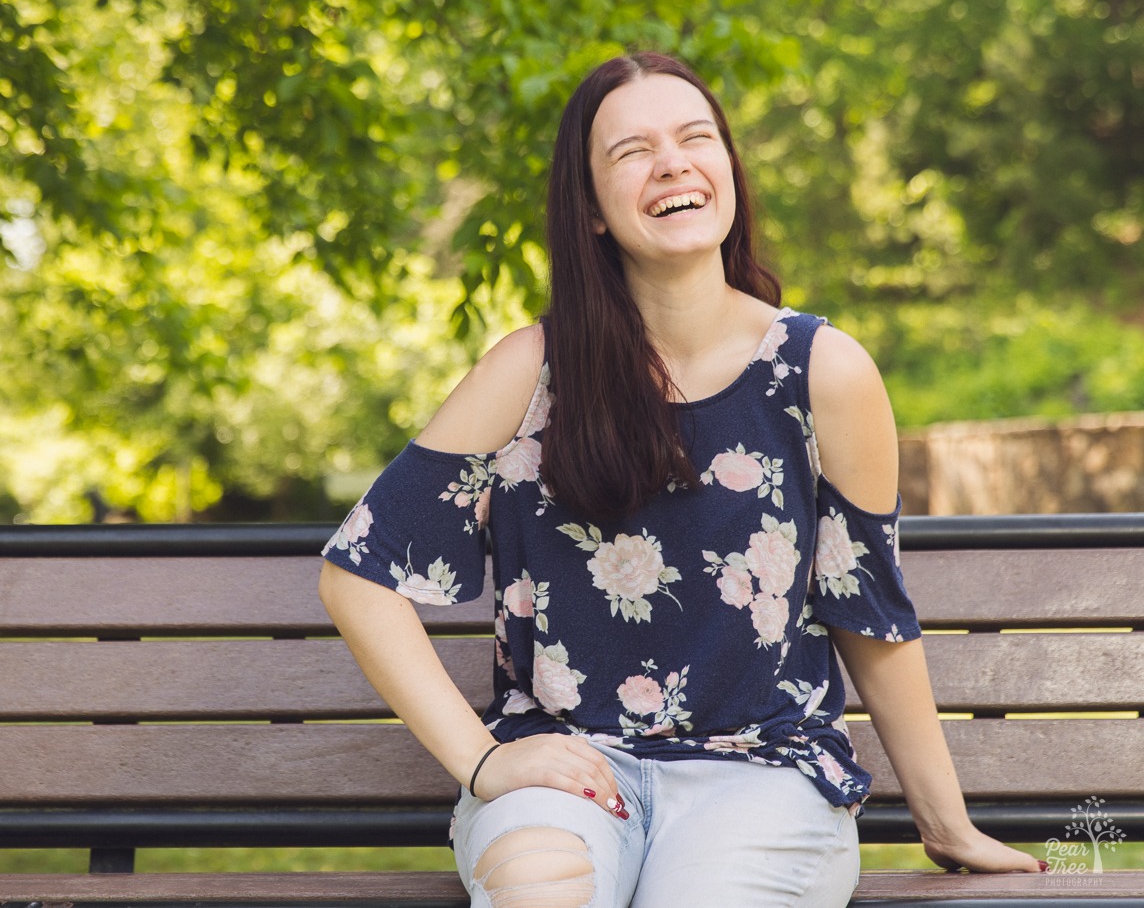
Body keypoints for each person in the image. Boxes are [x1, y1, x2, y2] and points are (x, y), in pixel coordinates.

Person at [319, 51, 1044, 907]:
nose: (672, 162)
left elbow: (867, 609)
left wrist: (946, 823)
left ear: (728, 172)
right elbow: (358, 571)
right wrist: (484, 760)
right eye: (632, 151)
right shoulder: (529, 372)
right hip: (570, 773)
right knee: (539, 892)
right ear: (589, 207)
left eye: (695, 138)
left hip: (765, 772)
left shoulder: (821, 371)